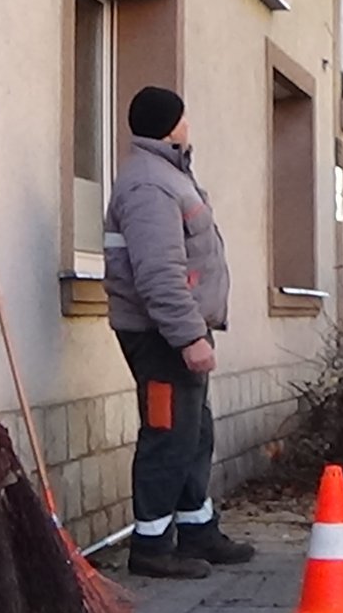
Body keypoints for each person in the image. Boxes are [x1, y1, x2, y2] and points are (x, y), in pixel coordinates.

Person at [103, 85, 255, 579]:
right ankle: (150, 546)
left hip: (176, 329)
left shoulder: (168, 175)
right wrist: (189, 336)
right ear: (171, 123)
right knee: (168, 434)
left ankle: (197, 530)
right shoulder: (149, 185)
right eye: (184, 117)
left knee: (194, 431)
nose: (189, 124)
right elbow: (158, 272)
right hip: (161, 334)